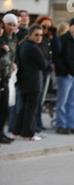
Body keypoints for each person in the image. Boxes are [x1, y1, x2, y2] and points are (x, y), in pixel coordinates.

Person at [12, 25, 46, 141]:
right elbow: (43, 64)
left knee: (24, 107)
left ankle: (16, 131)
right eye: (36, 35)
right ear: (30, 35)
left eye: (41, 35)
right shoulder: (32, 47)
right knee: (30, 109)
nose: (39, 37)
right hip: (33, 82)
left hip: (25, 81)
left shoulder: (25, 45)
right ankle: (29, 133)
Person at [53, 17, 74, 134]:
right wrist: (64, 70)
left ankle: (70, 124)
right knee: (62, 101)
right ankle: (61, 125)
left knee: (73, 101)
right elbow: (57, 57)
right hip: (65, 75)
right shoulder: (64, 39)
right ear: (70, 26)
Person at [0, 13, 18, 144]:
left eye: (13, 25)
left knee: (5, 108)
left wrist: (13, 64)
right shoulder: (2, 39)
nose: (11, 27)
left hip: (6, 76)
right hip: (1, 75)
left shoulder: (14, 38)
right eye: (8, 24)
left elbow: (13, 55)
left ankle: (1, 133)